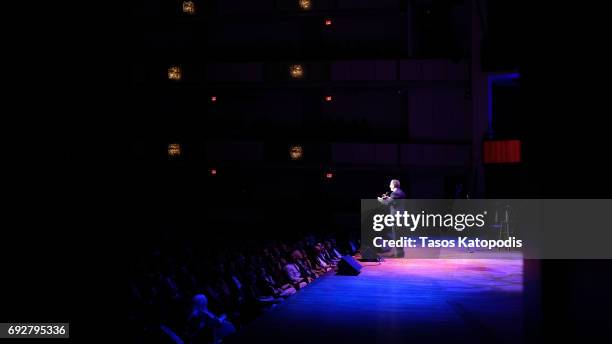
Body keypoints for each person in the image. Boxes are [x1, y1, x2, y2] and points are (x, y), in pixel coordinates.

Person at [377, 179, 406, 257]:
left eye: (390, 184)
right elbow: (394, 202)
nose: (390, 186)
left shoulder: (395, 193)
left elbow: (388, 203)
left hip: (397, 218)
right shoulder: (401, 192)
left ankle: (399, 254)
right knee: (399, 235)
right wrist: (387, 198)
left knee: (397, 236)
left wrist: (381, 200)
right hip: (401, 216)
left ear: (393, 185)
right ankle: (400, 253)